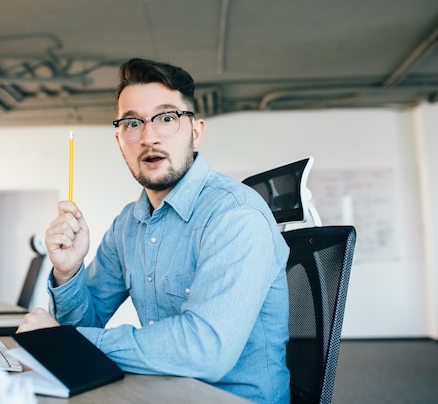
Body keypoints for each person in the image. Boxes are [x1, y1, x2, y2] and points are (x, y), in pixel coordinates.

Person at [16, 58, 291, 403]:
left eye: (166, 118)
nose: (148, 137)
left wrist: (66, 342)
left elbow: (205, 350)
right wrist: (68, 271)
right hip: (159, 391)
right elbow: (86, 321)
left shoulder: (236, 215)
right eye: (133, 123)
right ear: (119, 140)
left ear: (196, 131)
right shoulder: (127, 225)